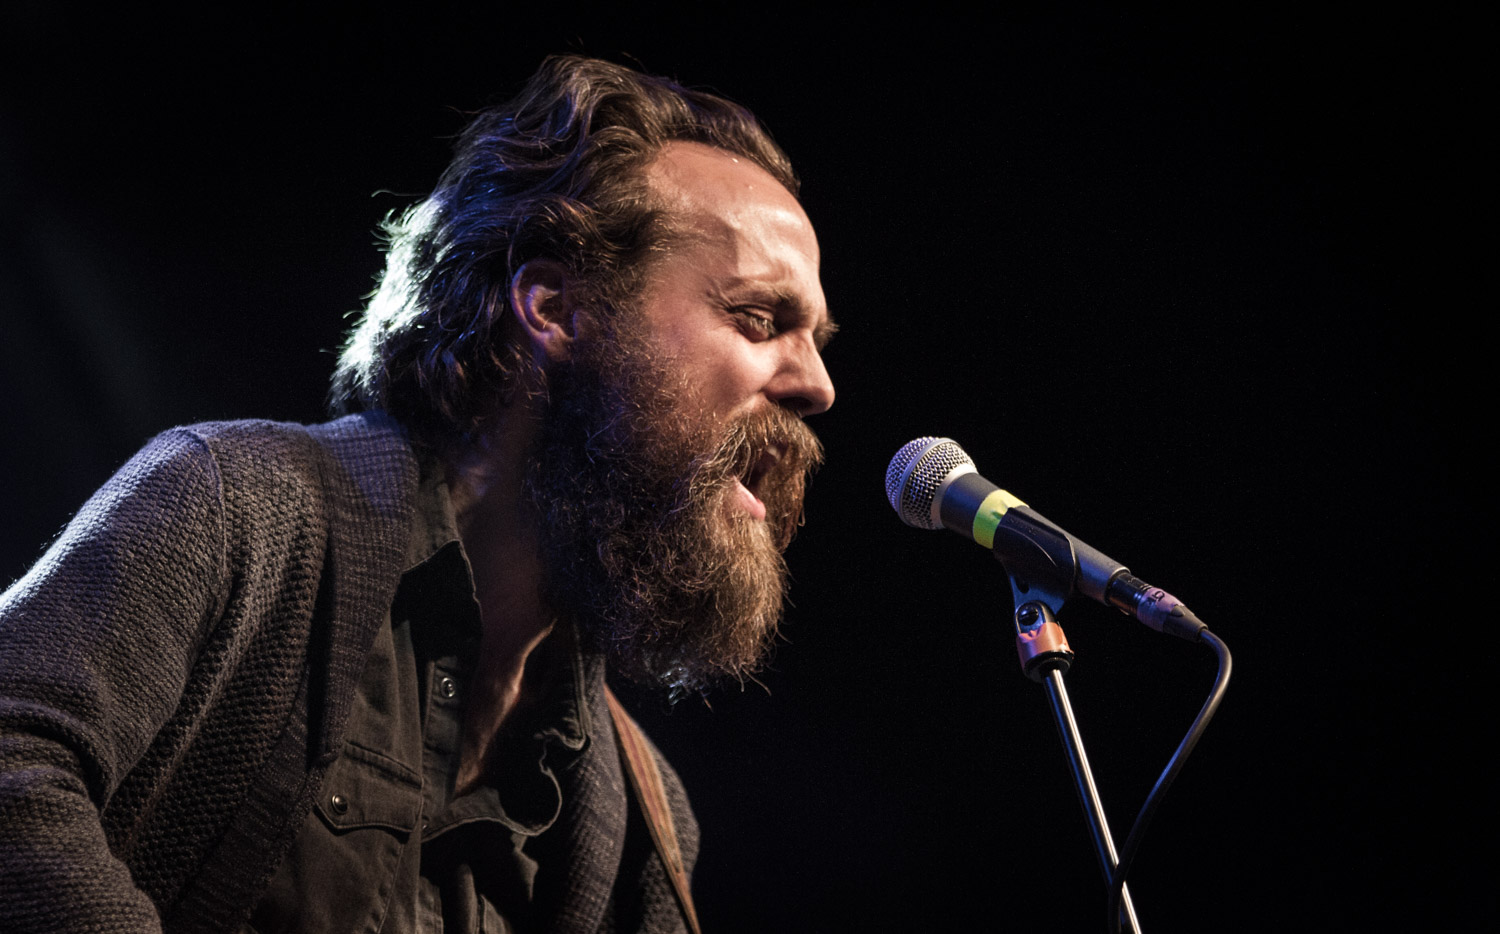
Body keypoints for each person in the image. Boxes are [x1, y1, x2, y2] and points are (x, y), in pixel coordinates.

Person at [0, 55, 835, 934]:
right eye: (759, 318)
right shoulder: (232, 504)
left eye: (818, 338)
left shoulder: (640, 813)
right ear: (553, 308)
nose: (818, 385)